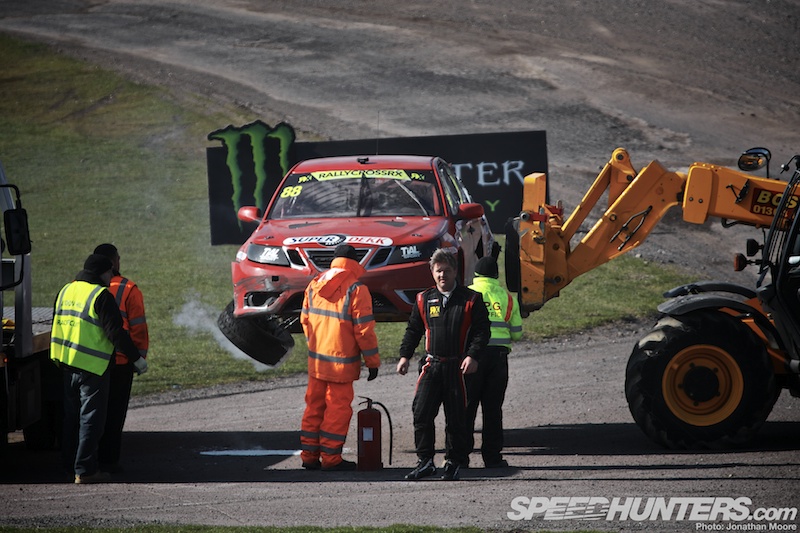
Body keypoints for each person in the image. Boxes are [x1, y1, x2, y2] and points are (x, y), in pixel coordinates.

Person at [50, 254, 148, 484]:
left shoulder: (66, 290)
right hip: (92, 366)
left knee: (71, 418)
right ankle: (85, 470)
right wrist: (136, 359)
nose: (110, 279)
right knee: (91, 420)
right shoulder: (100, 295)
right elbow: (116, 333)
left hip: (66, 362)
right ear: (104, 273)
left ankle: (69, 466)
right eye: (109, 274)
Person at [396, 248, 490, 481]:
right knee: (421, 413)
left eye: (447, 271)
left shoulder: (471, 299)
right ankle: (425, 461)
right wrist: (404, 356)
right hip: (431, 365)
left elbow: (482, 331)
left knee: (456, 418)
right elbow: (413, 330)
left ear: (456, 272)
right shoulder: (423, 299)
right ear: (432, 272)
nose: (442, 276)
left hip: (458, 368)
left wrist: (473, 356)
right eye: (438, 271)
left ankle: (453, 462)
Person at [299, 244, 380, 471]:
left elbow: (305, 321)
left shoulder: (314, 284)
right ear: (355, 262)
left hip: (317, 362)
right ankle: (331, 459)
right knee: (337, 410)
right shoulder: (357, 289)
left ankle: (309, 456)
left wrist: (317, 347)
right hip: (341, 365)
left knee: (314, 407)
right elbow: (363, 331)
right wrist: (372, 363)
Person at [93, 243, 149, 472]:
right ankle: (109, 462)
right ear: (115, 262)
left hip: (89, 362)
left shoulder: (78, 288)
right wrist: (139, 359)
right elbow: (138, 330)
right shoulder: (128, 289)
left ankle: (85, 460)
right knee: (114, 417)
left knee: (90, 415)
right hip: (121, 361)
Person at [466, 256, 522, 468]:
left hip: (473, 357)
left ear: (477, 274)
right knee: (492, 410)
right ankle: (492, 457)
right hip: (498, 359)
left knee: (466, 407)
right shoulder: (507, 298)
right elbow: (517, 334)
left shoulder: (468, 294)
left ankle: (460, 457)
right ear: (495, 276)